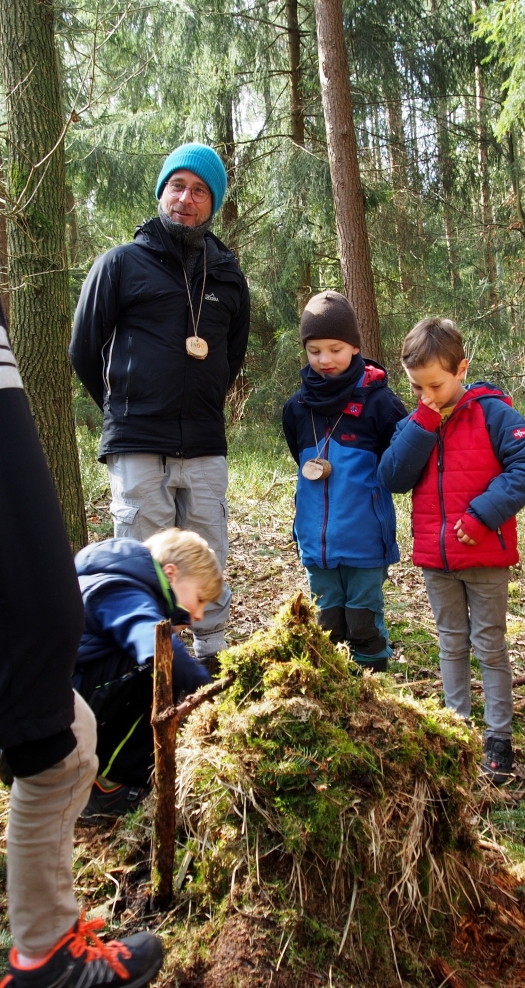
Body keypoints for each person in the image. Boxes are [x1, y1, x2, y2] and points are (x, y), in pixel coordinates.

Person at [0, 310, 163, 986]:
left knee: (69, 727)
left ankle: (44, 945)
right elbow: (147, 642)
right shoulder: (131, 595)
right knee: (59, 734)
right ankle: (44, 956)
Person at [69, 142, 250, 668]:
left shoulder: (228, 277)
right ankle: (151, 668)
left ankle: (211, 659)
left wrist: (203, 400)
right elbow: (84, 347)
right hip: (136, 443)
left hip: (203, 442)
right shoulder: (121, 264)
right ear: (161, 193)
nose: (185, 199)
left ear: (212, 202)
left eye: (198, 191)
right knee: (145, 558)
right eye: (177, 187)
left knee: (207, 552)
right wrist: (123, 408)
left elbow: (229, 357)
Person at [378, 317, 525, 781]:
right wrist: (423, 423)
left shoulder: (493, 414)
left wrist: (481, 515)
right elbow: (392, 477)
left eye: (435, 384)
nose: (426, 394)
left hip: (485, 556)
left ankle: (499, 737)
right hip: (437, 559)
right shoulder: (417, 420)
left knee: (489, 644)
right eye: (416, 386)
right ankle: (457, 726)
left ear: (461, 369)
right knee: (450, 643)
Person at [282, 290, 407, 672]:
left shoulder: (380, 404)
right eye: (314, 350)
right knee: (328, 622)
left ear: (354, 345)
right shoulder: (297, 409)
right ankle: (335, 691)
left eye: (335, 348)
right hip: (316, 545)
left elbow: (400, 465)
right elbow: (301, 464)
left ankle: (373, 688)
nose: (325, 360)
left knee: (363, 621)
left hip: (365, 541)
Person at [73, 529, 219, 818]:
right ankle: (110, 784)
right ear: (171, 573)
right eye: (200, 599)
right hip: (44, 722)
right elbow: (156, 648)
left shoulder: (120, 580)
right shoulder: (118, 590)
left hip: (59, 703)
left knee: (164, 658)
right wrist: (213, 694)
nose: (200, 615)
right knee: (159, 664)